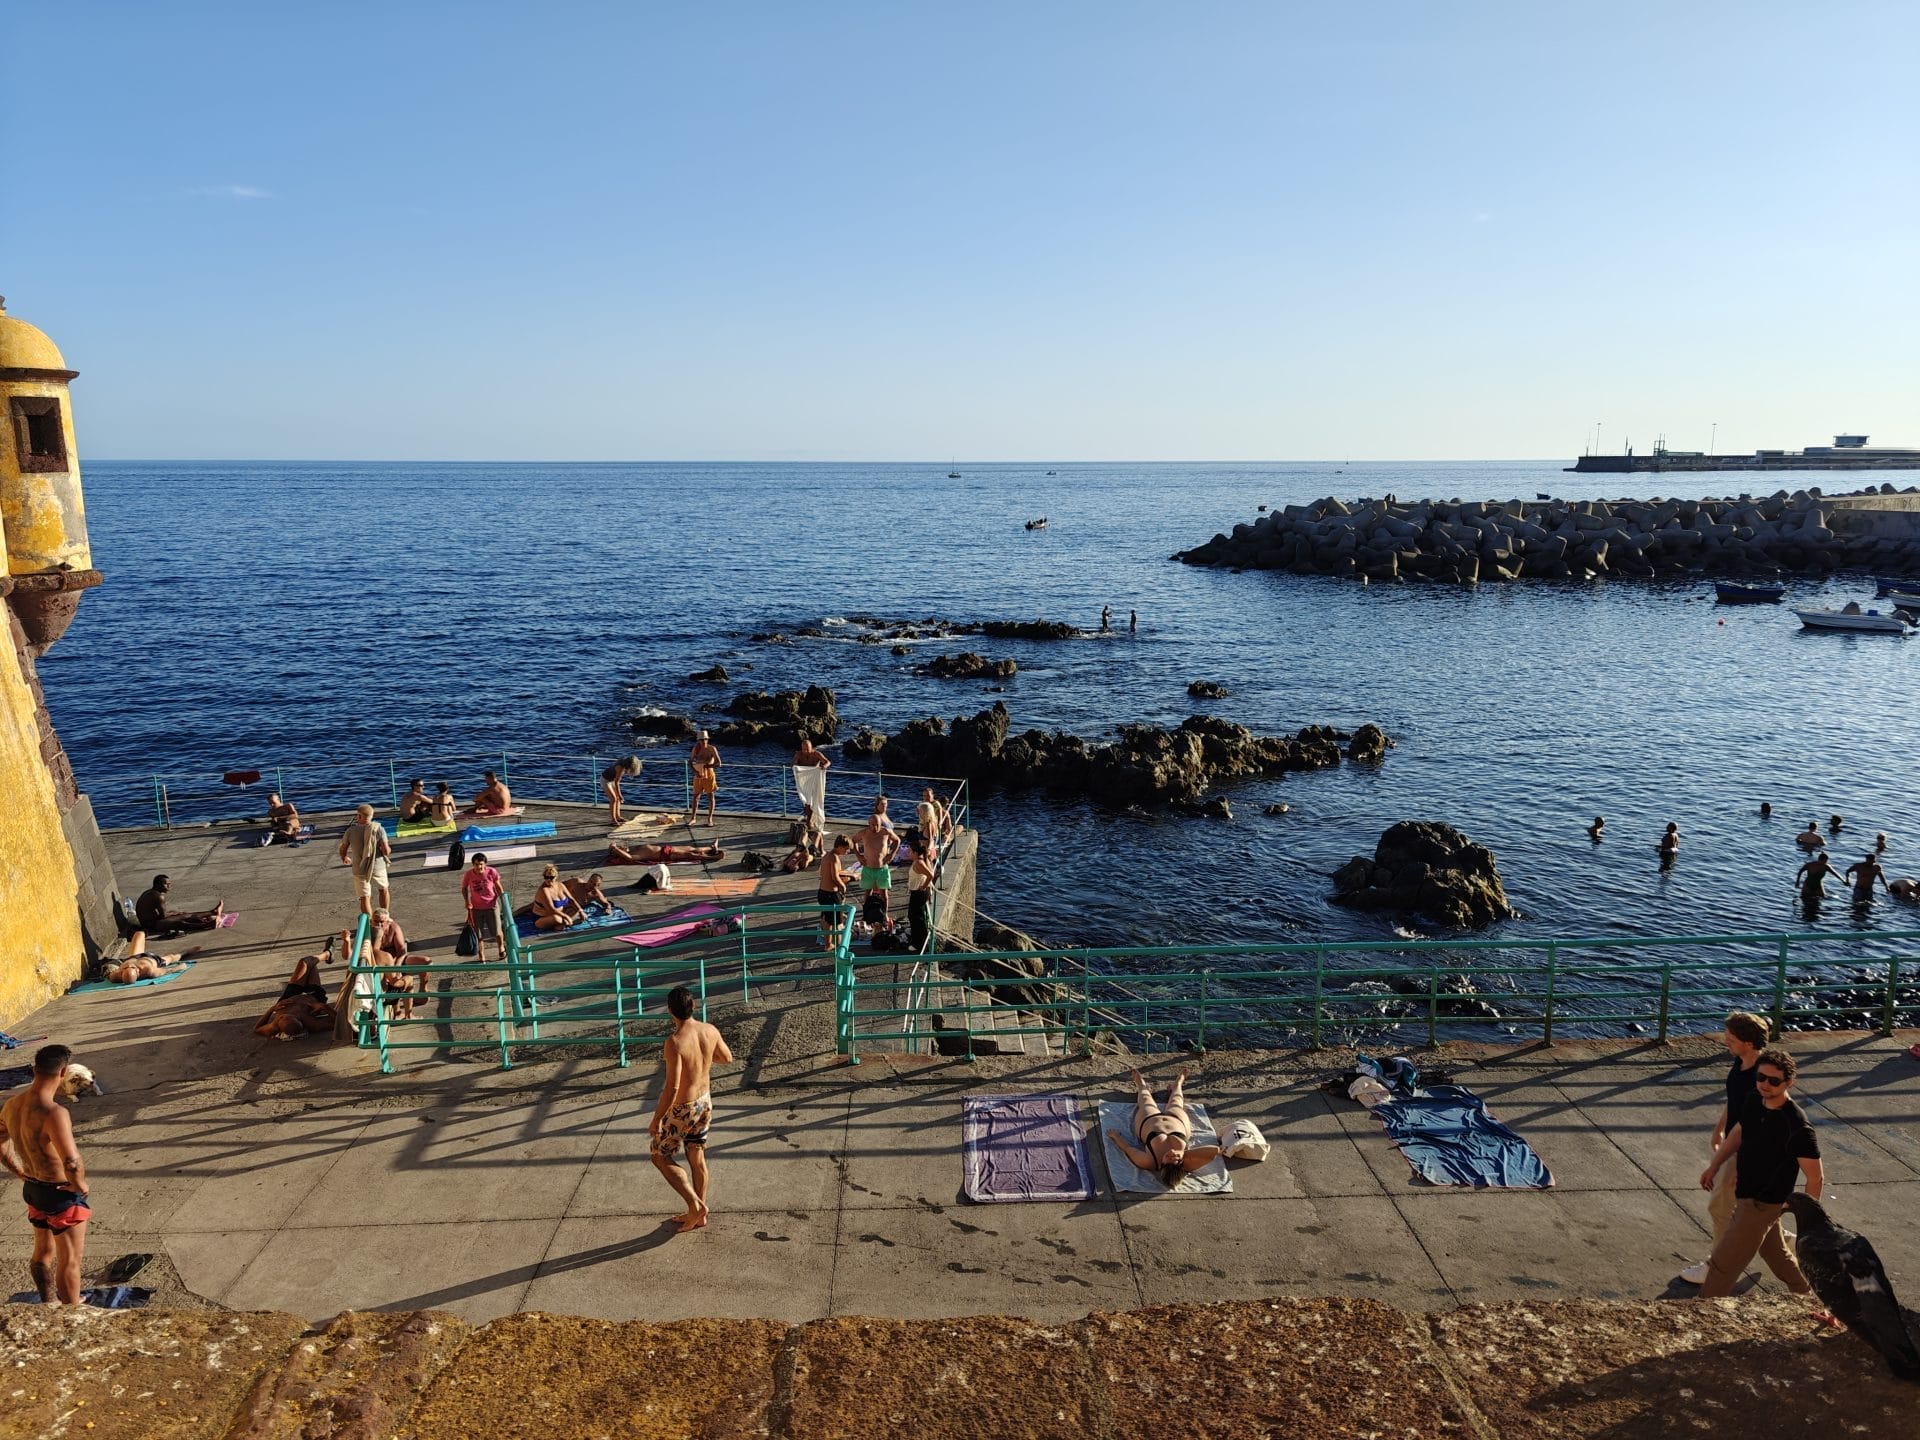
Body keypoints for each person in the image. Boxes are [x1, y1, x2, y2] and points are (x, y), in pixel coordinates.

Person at [1697, 1047, 1824, 1303]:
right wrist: (1715, 1165)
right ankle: (1807, 1296)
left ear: (1789, 1082)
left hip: (1762, 1203)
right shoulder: (1755, 1099)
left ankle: (1700, 1309)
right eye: (1761, 1077)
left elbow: (1815, 1177)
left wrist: (1809, 1222)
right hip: (1745, 1193)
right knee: (1777, 1255)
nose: (1765, 1084)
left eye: (1774, 1080)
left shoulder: (1797, 1126)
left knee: (1723, 1263)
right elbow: (1739, 1133)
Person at [1677, 1012, 1771, 1285]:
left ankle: (1717, 1268)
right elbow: (1735, 1099)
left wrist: (1743, 1164)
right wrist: (1719, 1127)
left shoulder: (1762, 1076)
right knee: (1753, 1210)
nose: (1725, 1040)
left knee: (1720, 1208)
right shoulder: (1740, 1062)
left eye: (1731, 1038)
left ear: (1749, 1043)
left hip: (1746, 1151)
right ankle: (1790, 1248)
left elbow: (1762, 1125)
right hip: (1734, 1143)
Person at [0, 1045, 90, 1304]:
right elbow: (71, 1161)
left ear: (33, 1070)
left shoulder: (12, 1105)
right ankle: (72, 1314)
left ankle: (48, 1302)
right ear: (63, 1072)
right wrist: (79, 1185)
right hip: (60, 1194)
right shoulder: (54, 1113)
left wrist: (18, 1171)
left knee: (42, 1251)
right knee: (70, 1261)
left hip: (33, 1190)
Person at [649, 985, 734, 1233]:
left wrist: (658, 1118)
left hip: (683, 1108)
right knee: (696, 1156)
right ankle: (699, 1213)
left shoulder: (674, 1043)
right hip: (705, 1101)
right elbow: (726, 1058)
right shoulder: (709, 1030)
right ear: (693, 1006)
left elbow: (672, 1088)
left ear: (669, 1011)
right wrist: (704, 1060)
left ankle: (695, 1206)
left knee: (659, 1155)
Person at [1105, 1068, 1222, 1187]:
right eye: (1175, 1159)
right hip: (1177, 1121)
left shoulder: (1149, 1161)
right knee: (1176, 1100)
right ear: (1181, 1164)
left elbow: (1128, 1149)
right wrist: (1183, 1155)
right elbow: (1214, 1150)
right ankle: (1178, 1084)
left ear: (1161, 1166)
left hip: (1149, 1121)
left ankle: (1141, 1084)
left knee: (1145, 1100)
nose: (1172, 1154)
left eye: (1168, 1159)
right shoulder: (1186, 1162)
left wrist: (1115, 1137)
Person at [337, 804, 390, 918]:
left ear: (359, 816)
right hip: (377, 866)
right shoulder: (379, 829)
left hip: (359, 867)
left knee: (364, 897)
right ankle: (384, 918)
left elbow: (343, 849)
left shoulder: (350, 831)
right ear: (371, 816)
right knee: (383, 890)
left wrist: (344, 858)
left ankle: (370, 922)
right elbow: (386, 851)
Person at [134, 875, 223, 938]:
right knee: (180, 922)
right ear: (157, 885)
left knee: (184, 915)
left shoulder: (149, 892)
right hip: (152, 925)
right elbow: (163, 916)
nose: (169, 887)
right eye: (166, 884)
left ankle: (212, 912)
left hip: (149, 922)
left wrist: (174, 913)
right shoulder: (158, 896)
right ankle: (206, 924)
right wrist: (174, 914)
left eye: (169, 884)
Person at [854, 806, 900, 924]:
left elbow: (897, 840)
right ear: (869, 824)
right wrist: (859, 856)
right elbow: (853, 841)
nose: (874, 827)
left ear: (881, 824)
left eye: (877, 825)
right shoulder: (864, 833)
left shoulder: (886, 832)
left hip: (882, 869)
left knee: (884, 894)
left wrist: (891, 855)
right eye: (872, 825)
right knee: (867, 892)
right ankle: (866, 914)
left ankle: (885, 914)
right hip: (868, 868)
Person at [101, 931, 201, 984]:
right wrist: (180, 967)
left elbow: (108, 973)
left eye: (128, 968)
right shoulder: (149, 971)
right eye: (132, 968)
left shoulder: (115, 976)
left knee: (140, 933)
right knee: (172, 957)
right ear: (138, 973)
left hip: (135, 955)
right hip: (155, 959)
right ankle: (186, 952)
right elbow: (167, 971)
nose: (131, 966)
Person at [460, 851, 503, 963]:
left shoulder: (491, 872)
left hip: (491, 906)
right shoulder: (468, 874)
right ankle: (481, 954)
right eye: (476, 864)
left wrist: (503, 899)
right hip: (476, 908)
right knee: (478, 934)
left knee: (496, 931)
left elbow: (498, 887)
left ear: (485, 864)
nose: (479, 867)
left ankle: (501, 947)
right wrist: (466, 901)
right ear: (473, 865)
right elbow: (464, 888)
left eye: (481, 864)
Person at [816, 834, 858, 947]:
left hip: (822, 892)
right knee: (834, 921)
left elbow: (831, 874)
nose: (848, 851)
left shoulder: (827, 855)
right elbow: (834, 876)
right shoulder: (834, 857)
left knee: (825, 917)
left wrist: (849, 875)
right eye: (847, 849)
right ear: (840, 846)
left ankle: (827, 942)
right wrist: (843, 886)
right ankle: (831, 944)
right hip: (831, 894)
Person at [530, 864, 582, 931]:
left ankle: (563, 924)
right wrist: (566, 916)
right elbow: (551, 910)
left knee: (577, 908)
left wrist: (580, 910)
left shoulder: (560, 885)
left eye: (551, 878)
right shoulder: (544, 890)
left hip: (560, 913)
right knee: (556, 918)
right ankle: (566, 922)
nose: (548, 880)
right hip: (542, 918)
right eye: (546, 877)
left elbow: (571, 899)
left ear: (556, 877)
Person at [792, 735, 830, 825]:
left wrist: (824, 766)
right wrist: (795, 764)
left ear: (811, 747)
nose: (805, 751)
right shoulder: (799, 754)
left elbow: (828, 762)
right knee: (805, 801)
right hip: (804, 781)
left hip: (815, 781)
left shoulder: (816, 754)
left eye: (807, 749)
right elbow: (792, 765)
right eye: (803, 749)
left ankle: (809, 821)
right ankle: (808, 818)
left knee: (812, 801)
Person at [907, 839, 937, 952]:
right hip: (916, 892)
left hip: (918, 893)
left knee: (916, 918)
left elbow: (930, 875)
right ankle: (919, 941)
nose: (908, 853)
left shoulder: (919, 862)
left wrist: (923, 886)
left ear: (915, 852)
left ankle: (919, 944)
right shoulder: (920, 861)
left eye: (910, 851)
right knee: (915, 917)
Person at [686, 732, 721, 827]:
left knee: (710, 796)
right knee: (695, 796)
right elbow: (690, 762)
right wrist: (695, 771)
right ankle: (693, 818)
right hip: (698, 774)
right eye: (701, 740)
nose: (703, 741)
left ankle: (710, 819)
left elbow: (719, 763)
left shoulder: (712, 748)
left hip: (709, 774)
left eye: (705, 739)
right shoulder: (696, 749)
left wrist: (707, 766)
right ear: (698, 740)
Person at [605, 840, 725, 866]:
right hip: (664, 854)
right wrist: (615, 849)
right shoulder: (633, 854)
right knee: (690, 855)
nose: (622, 847)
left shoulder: (633, 849)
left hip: (666, 848)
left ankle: (710, 848)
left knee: (690, 848)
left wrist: (616, 847)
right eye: (620, 848)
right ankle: (712, 857)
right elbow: (630, 858)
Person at [601, 755, 643, 827]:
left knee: (617, 798)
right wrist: (620, 795)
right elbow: (617, 783)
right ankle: (613, 820)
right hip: (605, 780)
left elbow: (616, 781)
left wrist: (618, 795)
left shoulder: (623, 762)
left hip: (612, 780)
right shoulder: (620, 768)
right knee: (613, 799)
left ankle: (618, 817)